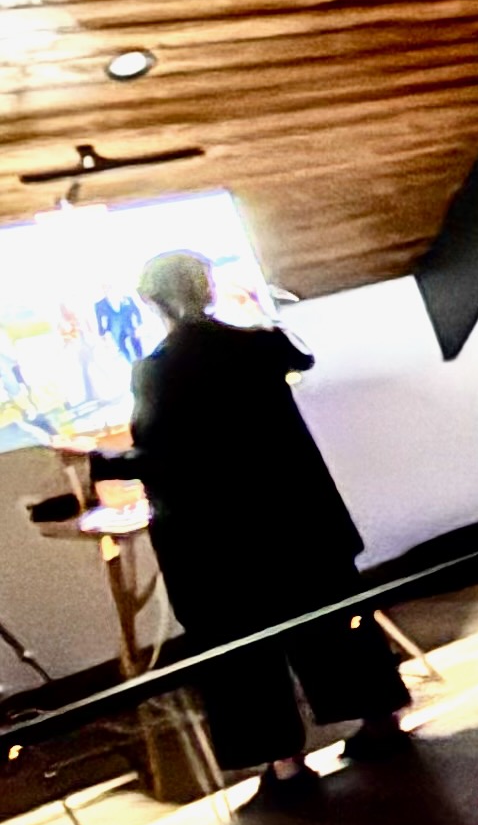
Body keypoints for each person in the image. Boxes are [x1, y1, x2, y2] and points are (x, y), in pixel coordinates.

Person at [96, 250, 407, 792]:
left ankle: (285, 765)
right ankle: (380, 722)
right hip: (301, 523)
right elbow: (299, 358)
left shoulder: (157, 370)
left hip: (223, 543)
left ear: (148, 303)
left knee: (244, 652)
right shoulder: (260, 346)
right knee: (335, 625)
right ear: (209, 289)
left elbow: (165, 457)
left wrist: (99, 462)